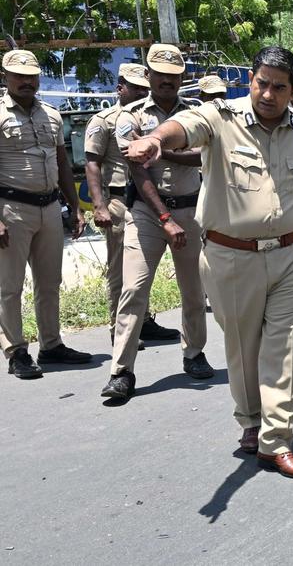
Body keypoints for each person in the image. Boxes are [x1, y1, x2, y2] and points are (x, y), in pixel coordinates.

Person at [125, 46, 293, 478]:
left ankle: (276, 440)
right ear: (250, 80)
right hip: (231, 256)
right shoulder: (221, 117)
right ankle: (251, 421)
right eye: (261, 83)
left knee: (286, 347)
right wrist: (154, 140)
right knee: (242, 348)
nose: (268, 93)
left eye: (279, 87)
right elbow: (184, 126)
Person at [102, 44, 211, 401]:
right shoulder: (129, 117)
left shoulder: (196, 115)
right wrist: (165, 218)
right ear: (148, 76)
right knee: (133, 290)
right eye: (160, 74)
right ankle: (122, 371)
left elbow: (206, 157)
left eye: (174, 75)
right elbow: (138, 169)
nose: (167, 80)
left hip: (191, 212)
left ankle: (194, 353)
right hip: (148, 215)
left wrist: (163, 149)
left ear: (182, 78)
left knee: (194, 291)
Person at [0, 49, 91, 380]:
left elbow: (62, 162)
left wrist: (75, 207)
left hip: (50, 206)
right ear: (5, 77)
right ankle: (16, 351)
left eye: (32, 76)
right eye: (19, 76)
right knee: (9, 285)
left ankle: (51, 345)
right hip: (10, 208)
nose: (27, 81)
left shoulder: (51, 114)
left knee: (50, 281)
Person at [83, 62, 165, 346]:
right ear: (120, 88)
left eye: (145, 87)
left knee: (142, 268)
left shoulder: (150, 118)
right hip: (118, 200)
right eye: (135, 87)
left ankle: (142, 322)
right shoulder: (103, 121)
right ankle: (117, 329)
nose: (142, 92)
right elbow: (91, 164)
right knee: (119, 269)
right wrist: (99, 206)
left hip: (148, 200)